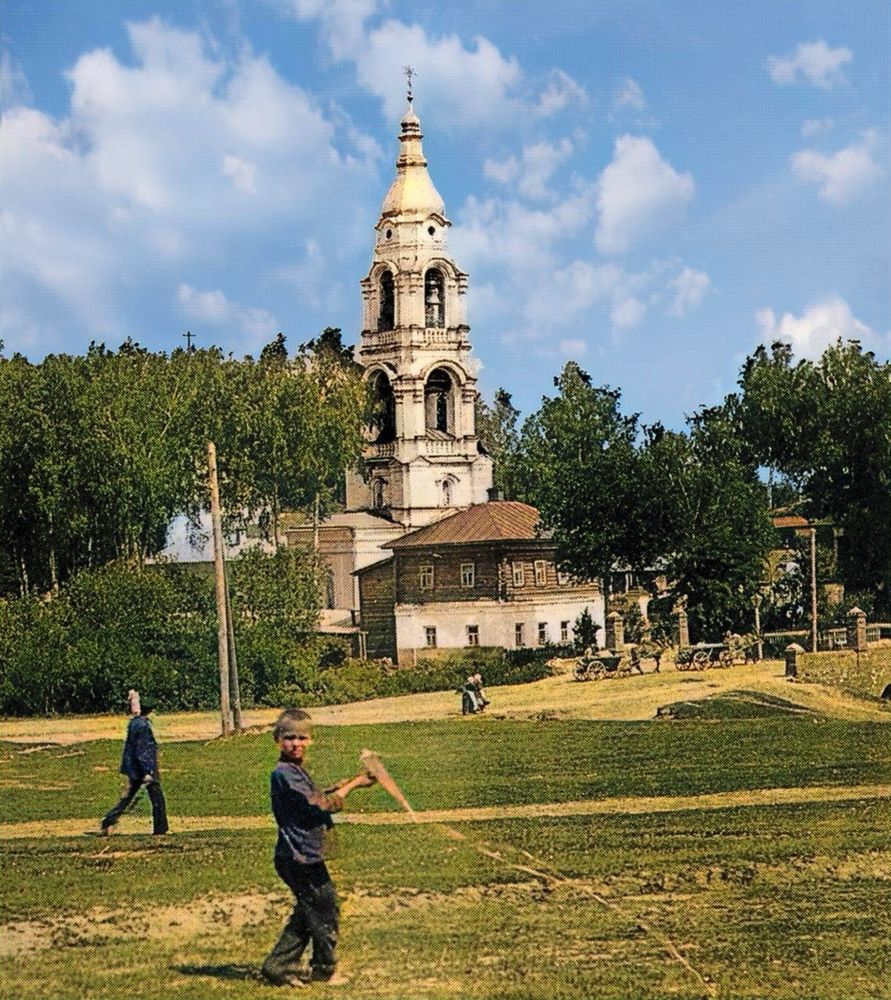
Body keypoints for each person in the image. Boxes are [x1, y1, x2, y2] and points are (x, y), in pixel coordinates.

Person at [262, 708, 376, 987]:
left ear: (310, 740)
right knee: (325, 908)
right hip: (298, 856)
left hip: (303, 854)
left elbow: (314, 795)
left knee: (309, 909)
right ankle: (324, 970)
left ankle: (277, 966)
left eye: (302, 738)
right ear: (277, 739)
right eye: (289, 738)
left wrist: (347, 783)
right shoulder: (283, 774)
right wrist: (354, 785)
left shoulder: (295, 771)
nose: (296, 743)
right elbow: (319, 804)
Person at [100, 701, 168, 836]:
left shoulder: (134, 722)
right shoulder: (143, 726)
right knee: (157, 798)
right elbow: (143, 750)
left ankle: (109, 820)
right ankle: (160, 829)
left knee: (128, 797)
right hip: (144, 768)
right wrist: (148, 771)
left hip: (134, 767)